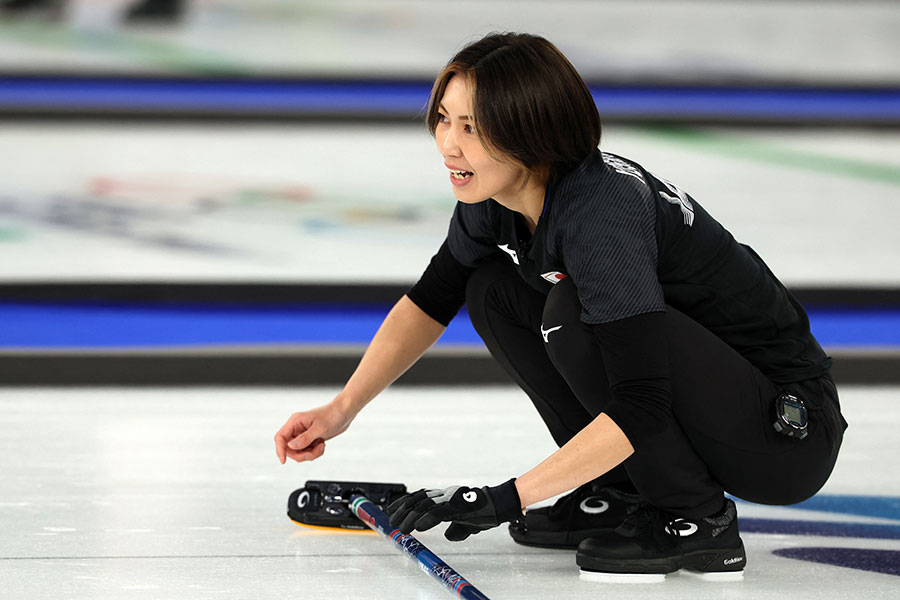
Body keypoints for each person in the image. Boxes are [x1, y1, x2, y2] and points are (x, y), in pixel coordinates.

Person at [274, 32, 847, 581]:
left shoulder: (601, 213)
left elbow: (643, 403)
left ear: (530, 131)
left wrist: (506, 497)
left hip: (783, 434)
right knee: (491, 291)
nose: (448, 144)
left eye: (472, 127)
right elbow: (431, 300)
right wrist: (342, 407)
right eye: (444, 119)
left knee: (570, 312)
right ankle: (623, 491)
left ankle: (697, 519)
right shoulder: (495, 196)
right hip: (708, 400)